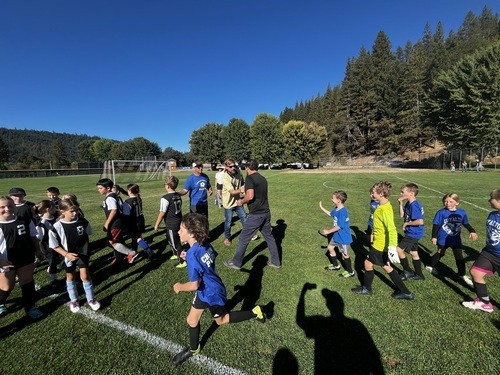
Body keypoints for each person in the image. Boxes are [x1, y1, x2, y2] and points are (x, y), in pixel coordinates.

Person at [171, 212, 266, 366]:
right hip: (205, 289)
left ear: (192, 233)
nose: (178, 232)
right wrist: (189, 255)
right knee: (191, 320)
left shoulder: (193, 254)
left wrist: (179, 287)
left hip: (212, 293)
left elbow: (193, 284)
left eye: (181, 229)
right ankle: (194, 349)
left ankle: (255, 312)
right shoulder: (204, 243)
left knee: (221, 320)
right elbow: (210, 257)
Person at [351, 181, 414, 300]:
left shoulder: (383, 210)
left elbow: (391, 229)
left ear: (380, 194)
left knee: (368, 263)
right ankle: (406, 292)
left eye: (373, 192)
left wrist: (392, 246)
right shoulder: (385, 205)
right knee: (386, 266)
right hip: (381, 243)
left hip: (380, 245)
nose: (371, 193)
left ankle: (367, 289)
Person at [223, 160, 281, 270]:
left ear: (247, 168)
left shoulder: (250, 178)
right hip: (266, 212)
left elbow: (250, 196)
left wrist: (241, 202)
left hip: (256, 215)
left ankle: (236, 263)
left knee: (243, 238)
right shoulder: (262, 178)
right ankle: (276, 261)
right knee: (269, 237)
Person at [49, 198, 100, 313]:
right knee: (70, 277)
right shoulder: (57, 226)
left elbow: (89, 232)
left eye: (76, 210)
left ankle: (91, 299)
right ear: (62, 211)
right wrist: (66, 254)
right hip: (68, 256)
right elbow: (54, 245)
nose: (75, 213)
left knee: (85, 276)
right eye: (71, 211)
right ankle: (74, 300)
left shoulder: (83, 221)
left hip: (83, 254)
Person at [0, 195, 44, 319]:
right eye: (2, 207)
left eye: (9, 206)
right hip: (5, 261)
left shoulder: (24, 220)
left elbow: (33, 237)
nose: (7, 209)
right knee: (7, 286)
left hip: (25, 257)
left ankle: (30, 308)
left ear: (14, 206)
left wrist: (38, 250)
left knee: (27, 283)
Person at [426, 193, 478, 286]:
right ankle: (430, 266)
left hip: (455, 239)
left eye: (451, 201)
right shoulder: (441, 212)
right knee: (440, 252)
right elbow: (436, 225)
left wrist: (472, 231)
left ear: (457, 203)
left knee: (459, 256)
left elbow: (466, 223)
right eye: (445, 201)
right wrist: (434, 236)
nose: (447, 203)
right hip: (443, 238)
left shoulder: (462, 212)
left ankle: (461, 274)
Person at [462, 189, 500, 313]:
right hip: (489, 252)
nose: (489, 200)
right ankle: (484, 303)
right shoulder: (492, 214)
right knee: (475, 272)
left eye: (491, 198)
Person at [96, 178, 138, 265]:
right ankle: (121, 257)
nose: (98, 190)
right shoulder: (115, 196)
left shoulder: (110, 198)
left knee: (110, 242)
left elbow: (114, 210)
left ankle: (131, 253)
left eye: (100, 188)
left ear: (108, 188)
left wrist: (107, 223)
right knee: (117, 240)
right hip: (118, 222)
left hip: (115, 224)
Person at [221, 158, 258, 246]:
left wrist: (244, 189)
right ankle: (227, 238)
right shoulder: (225, 177)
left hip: (238, 201)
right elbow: (232, 191)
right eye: (230, 166)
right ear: (226, 167)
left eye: (234, 165)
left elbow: (242, 182)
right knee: (228, 222)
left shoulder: (238, 172)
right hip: (228, 203)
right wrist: (242, 189)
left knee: (244, 218)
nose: (233, 168)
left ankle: (250, 234)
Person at [319, 190, 355, 278]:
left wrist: (328, 231)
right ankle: (336, 266)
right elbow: (331, 214)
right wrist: (321, 207)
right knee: (330, 248)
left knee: (344, 255)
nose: (331, 199)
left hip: (343, 237)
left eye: (333, 198)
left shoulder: (342, 211)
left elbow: (340, 226)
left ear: (339, 200)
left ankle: (350, 272)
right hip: (336, 235)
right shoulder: (336, 209)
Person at [154, 176, 185, 268]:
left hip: (172, 223)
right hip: (178, 220)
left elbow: (162, 213)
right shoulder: (177, 195)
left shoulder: (165, 198)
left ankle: (182, 261)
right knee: (169, 237)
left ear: (167, 186)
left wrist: (156, 224)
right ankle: (175, 254)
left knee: (175, 242)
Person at [396, 183, 426, 281]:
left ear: (411, 193)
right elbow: (401, 215)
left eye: (403, 192)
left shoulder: (415, 205)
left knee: (399, 250)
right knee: (414, 253)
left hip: (414, 233)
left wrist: (407, 224)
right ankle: (419, 275)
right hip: (411, 232)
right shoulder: (409, 203)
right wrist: (400, 204)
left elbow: (420, 221)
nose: (401, 193)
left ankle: (407, 271)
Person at [122, 183, 155, 260]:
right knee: (135, 238)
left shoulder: (127, 202)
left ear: (130, 191)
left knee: (138, 239)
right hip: (140, 221)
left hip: (133, 223)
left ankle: (150, 252)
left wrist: (125, 226)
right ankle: (134, 252)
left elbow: (126, 215)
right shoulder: (138, 199)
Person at [34, 200, 60, 288]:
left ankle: (51, 268)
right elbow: (38, 237)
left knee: (58, 260)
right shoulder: (41, 223)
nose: (56, 209)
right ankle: (54, 279)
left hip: (58, 244)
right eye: (54, 207)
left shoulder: (56, 217)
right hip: (48, 246)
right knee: (52, 261)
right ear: (48, 209)